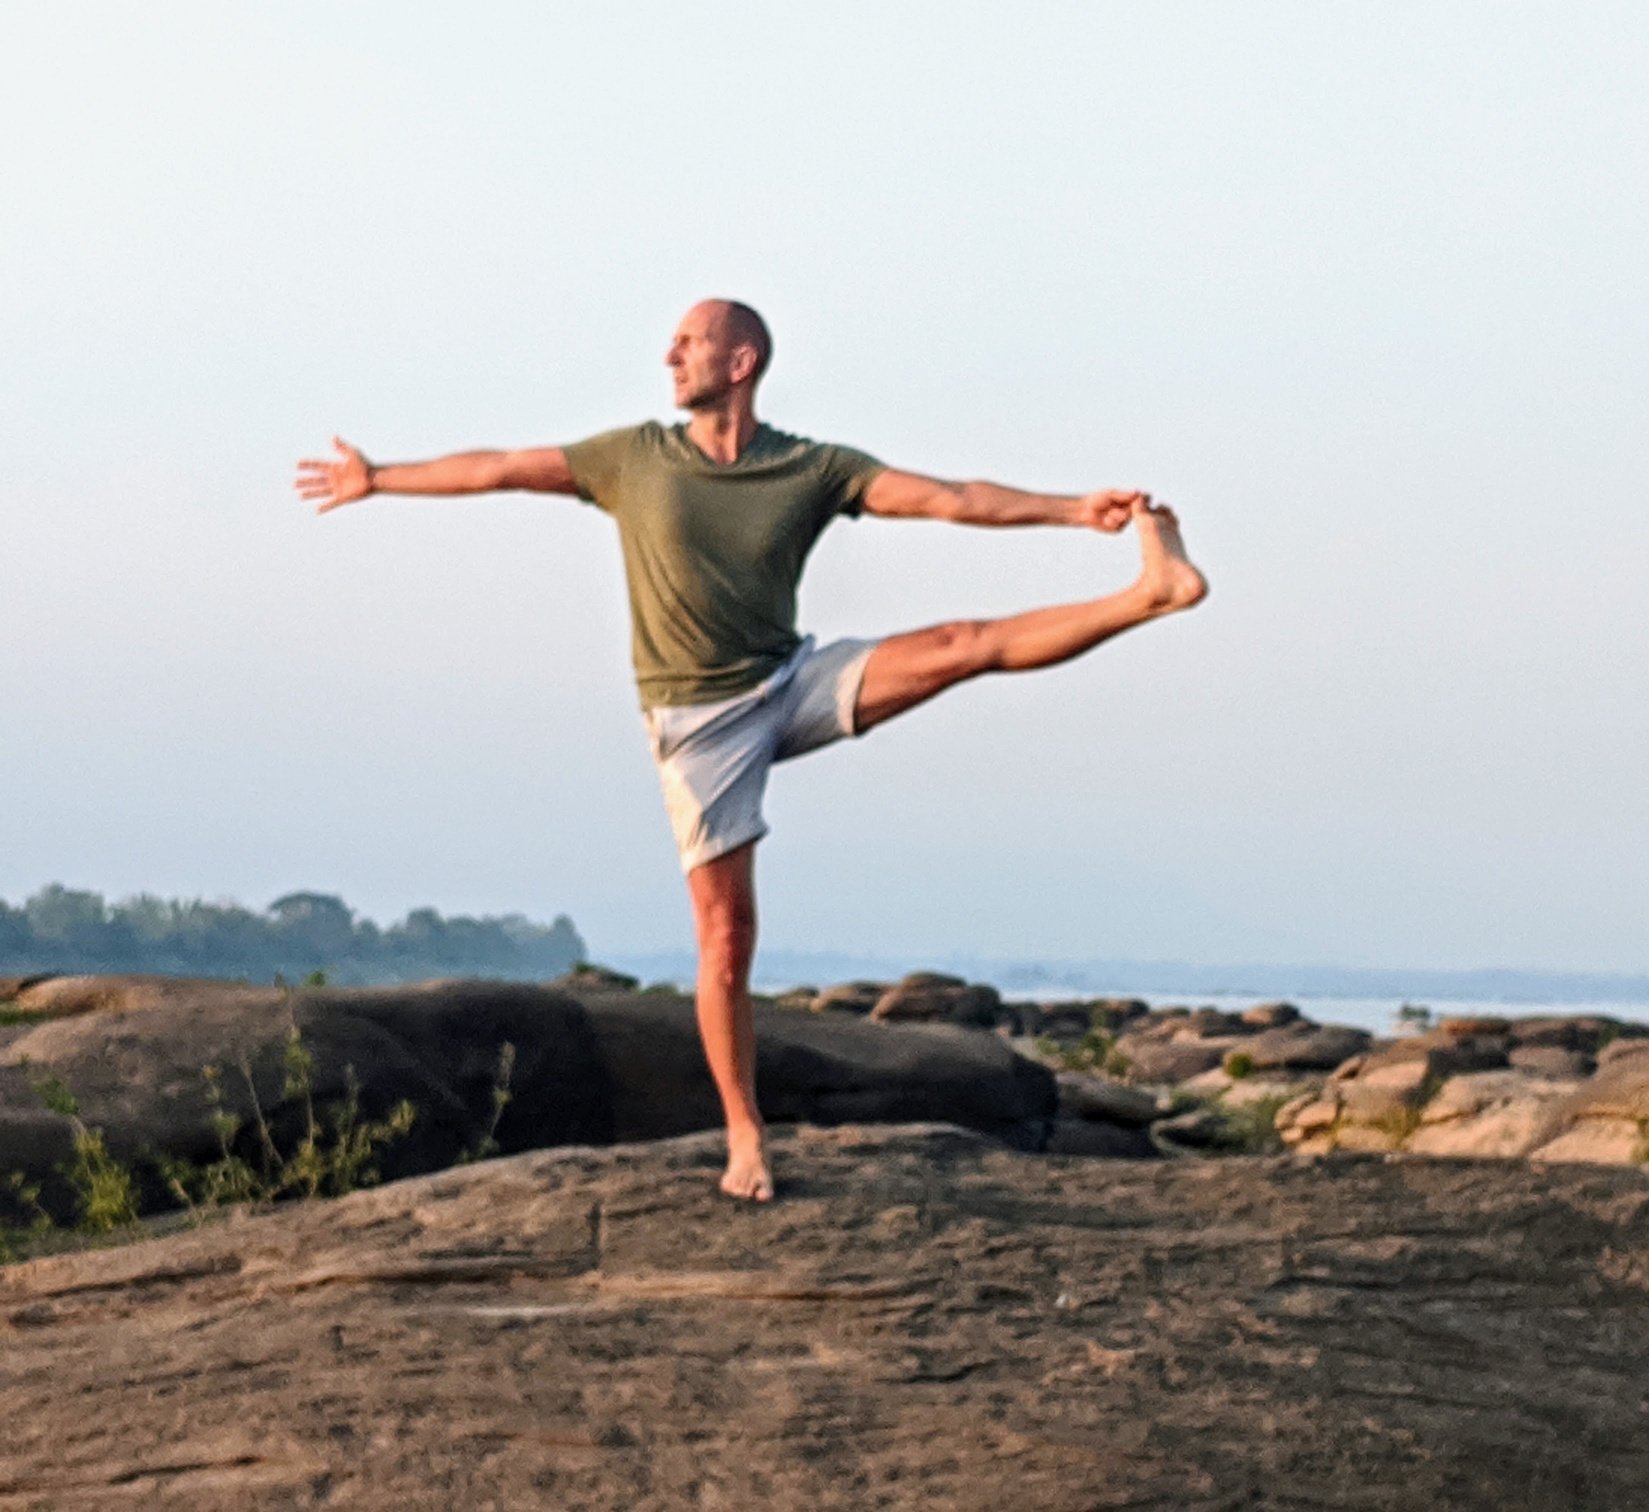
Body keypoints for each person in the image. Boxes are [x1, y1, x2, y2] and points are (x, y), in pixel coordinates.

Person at [295, 298, 1207, 1201]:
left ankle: (1151, 593)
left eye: (688, 342)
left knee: (962, 644)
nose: (669, 356)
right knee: (726, 938)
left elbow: (950, 498)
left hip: (789, 680)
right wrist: (379, 477)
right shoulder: (634, 458)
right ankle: (744, 1132)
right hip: (698, 725)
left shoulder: (810, 468)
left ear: (740, 362)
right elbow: (498, 468)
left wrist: (1071, 510)